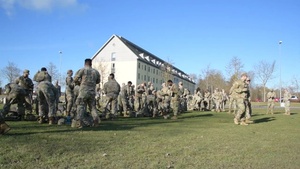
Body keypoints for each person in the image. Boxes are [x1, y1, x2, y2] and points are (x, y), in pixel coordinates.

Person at [73, 59, 101, 128]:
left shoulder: (82, 70)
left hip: (83, 91)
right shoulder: (96, 72)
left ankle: (79, 123)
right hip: (92, 92)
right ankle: (96, 122)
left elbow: (75, 79)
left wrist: (79, 82)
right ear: (91, 63)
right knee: (92, 108)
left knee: (81, 106)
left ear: (85, 63)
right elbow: (98, 81)